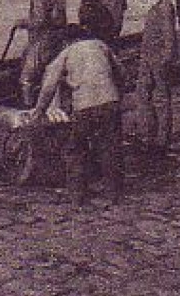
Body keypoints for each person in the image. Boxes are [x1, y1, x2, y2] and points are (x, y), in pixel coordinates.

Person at [31, 24, 125, 204]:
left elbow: (48, 87)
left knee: (75, 149)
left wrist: (39, 111)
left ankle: (77, 195)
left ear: (67, 40)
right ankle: (113, 194)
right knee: (110, 147)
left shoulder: (66, 53)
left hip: (85, 106)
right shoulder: (100, 45)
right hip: (110, 102)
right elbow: (121, 72)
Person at [135, 0, 179, 154]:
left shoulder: (164, 6)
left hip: (158, 59)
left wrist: (166, 58)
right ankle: (147, 135)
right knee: (143, 95)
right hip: (147, 58)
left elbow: (169, 35)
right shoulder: (155, 4)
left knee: (160, 98)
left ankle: (162, 139)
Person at [16, 0, 69, 104]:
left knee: (26, 79)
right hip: (58, 37)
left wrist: (23, 23)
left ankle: (29, 109)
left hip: (42, 39)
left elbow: (39, 20)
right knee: (53, 73)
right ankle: (56, 106)